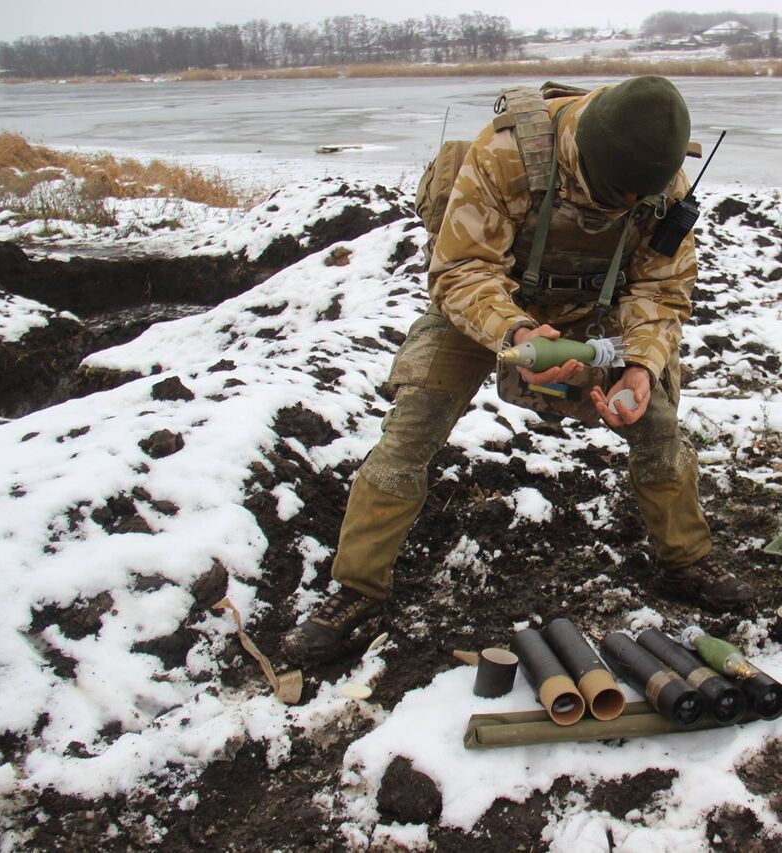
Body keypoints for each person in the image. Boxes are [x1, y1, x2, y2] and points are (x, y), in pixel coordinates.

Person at [283, 76, 754, 666]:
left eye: (642, 197)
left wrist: (639, 364)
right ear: (584, 157)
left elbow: (661, 288)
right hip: (486, 302)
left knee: (656, 420)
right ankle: (356, 589)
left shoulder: (657, 181)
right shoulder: (507, 156)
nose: (633, 207)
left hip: (591, 310)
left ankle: (685, 562)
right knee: (412, 426)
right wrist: (516, 332)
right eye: (619, 196)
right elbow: (462, 271)